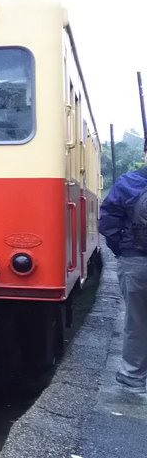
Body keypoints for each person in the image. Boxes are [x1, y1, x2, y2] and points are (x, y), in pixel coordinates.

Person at [98, 144, 147, 393]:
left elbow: (107, 220)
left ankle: (133, 375)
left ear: (144, 153)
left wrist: (122, 250)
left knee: (137, 320)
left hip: (136, 261)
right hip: (134, 257)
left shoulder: (130, 182)